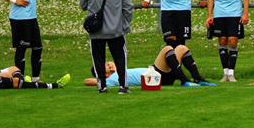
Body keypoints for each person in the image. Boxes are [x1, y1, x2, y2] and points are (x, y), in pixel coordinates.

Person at [80, 0, 133, 94]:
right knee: (120, 58)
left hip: (96, 31)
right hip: (116, 30)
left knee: (98, 59)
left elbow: (83, 6)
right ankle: (123, 86)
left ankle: (102, 86)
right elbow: (128, 7)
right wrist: (125, 22)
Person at [84, 45, 216, 88]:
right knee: (167, 49)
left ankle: (198, 79)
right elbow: (88, 81)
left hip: (159, 76)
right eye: (105, 65)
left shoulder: (122, 72)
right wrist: (102, 77)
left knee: (181, 48)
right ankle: (185, 81)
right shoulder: (113, 79)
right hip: (155, 78)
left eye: (107, 62)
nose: (108, 63)